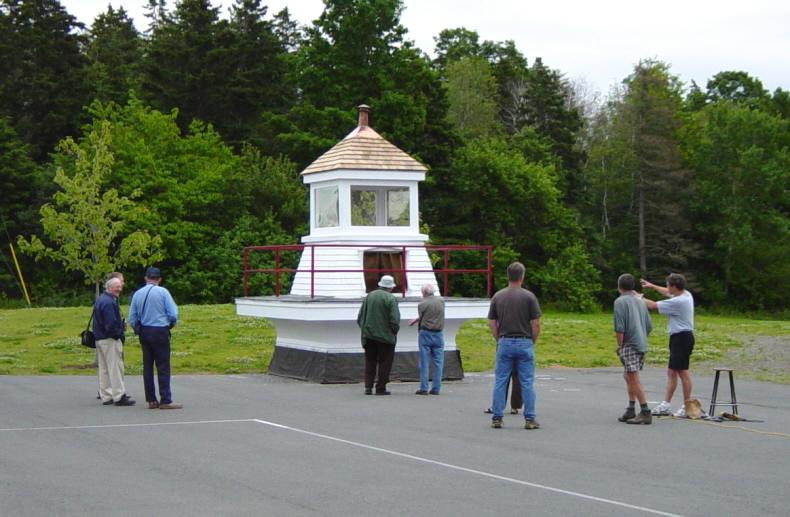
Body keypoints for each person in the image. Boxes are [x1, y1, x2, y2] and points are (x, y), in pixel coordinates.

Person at [487, 262, 541, 429]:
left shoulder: (498, 296)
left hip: (504, 340)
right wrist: (532, 340)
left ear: (507, 276)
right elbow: (536, 323)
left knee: (501, 380)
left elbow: (492, 323)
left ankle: (497, 416)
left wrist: (498, 339)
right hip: (524, 340)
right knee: (526, 381)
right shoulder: (529, 297)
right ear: (522, 276)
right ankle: (530, 418)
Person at [639, 273, 695, 417]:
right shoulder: (685, 294)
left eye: (668, 285)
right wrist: (652, 286)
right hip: (678, 337)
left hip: (682, 338)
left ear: (674, 287)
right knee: (671, 372)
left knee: (682, 372)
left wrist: (636, 297)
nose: (667, 288)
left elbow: (652, 306)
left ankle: (686, 405)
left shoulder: (678, 302)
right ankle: (666, 405)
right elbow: (666, 291)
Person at [128, 267, 182, 409]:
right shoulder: (163, 292)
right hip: (159, 330)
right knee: (163, 366)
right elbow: (173, 314)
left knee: (148, 366)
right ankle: (165, 399)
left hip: (144, 331)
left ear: (146, 278)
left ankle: (151, 399)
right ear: (159, 279)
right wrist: (170, 324)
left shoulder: (137, 294)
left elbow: (132, 318)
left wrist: (137, 329)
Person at [613, 274, 653, 425]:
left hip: (630, 343)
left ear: (619, 286)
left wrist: (619, 345)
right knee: (628, 375)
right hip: (641, 342)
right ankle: (631, 408)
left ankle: (645, 411)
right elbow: (649, 326)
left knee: (633, 376)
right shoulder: (640, 301)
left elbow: (619, 327)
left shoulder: (620, 302)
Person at [93, 277, 135, 406]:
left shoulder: (100, 299)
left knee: (104, 369)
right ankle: (119, 395)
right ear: (109, 287)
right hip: (109, 339)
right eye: (117, 287)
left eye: (120, 286)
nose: (120, 289)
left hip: (99, 338)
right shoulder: (109, 302)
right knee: (115, 368)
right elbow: (110, 324)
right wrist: (119, 333)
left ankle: (106, 395)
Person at [357, 275, 401, 395]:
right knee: (385, 363)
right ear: (390, 288)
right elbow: (394, 319)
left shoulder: (369, 296)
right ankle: (380, 387)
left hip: (368, 336)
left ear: (380, 285)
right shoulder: (391, 299)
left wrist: (365, 329)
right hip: (386, 337)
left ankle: (368, 387)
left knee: (370, 361)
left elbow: (360, 317)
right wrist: (393, 331)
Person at [410, 284, 445, 395]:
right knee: (438, 362)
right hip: (438, 333)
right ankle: (436, 388)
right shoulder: (441, 301)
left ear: (424, 293)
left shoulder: (422, 304)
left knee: (424, 362)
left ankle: (424, 387)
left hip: (425, 333)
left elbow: (423, 316)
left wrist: (416, 321)